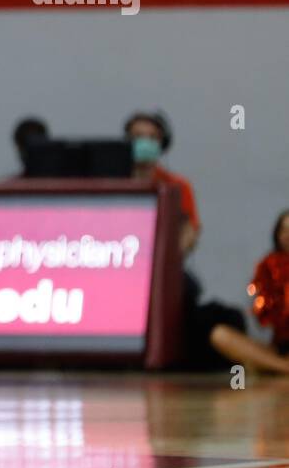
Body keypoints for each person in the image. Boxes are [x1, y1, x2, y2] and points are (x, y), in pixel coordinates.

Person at [209, 210, 289, 374]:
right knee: (220, 335)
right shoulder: (267, 267)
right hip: (278, 348)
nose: (288, 235)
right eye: (284, 230)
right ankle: (282, 367)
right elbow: (262, 317)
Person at [124, 110, 198, 254]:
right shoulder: (114, 182)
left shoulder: (177, 186)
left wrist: (168, 256)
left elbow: (190, 230)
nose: (145, 143)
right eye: (138, 137)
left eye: (152, 138)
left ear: (162, 143)